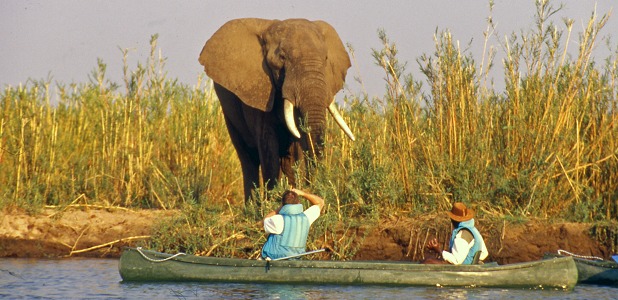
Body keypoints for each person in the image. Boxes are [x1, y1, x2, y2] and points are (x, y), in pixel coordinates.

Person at [261, 188, 325, 260]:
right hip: (295, 260)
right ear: (298, 202)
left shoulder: (277, 220)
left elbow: (265, 220)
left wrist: (280, 208)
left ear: (283, 203)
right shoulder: (307, 217)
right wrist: (303, 193)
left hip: (274, 260)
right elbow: (320, 202)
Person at [424, 202, 488, 265]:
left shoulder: (462, 234)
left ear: (453, 220)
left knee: (428, 261)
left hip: (462, 270)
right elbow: (484, 253)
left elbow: (457, 261)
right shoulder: (474, 230)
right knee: (431, 259)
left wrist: (439, 250)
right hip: (468, 267)